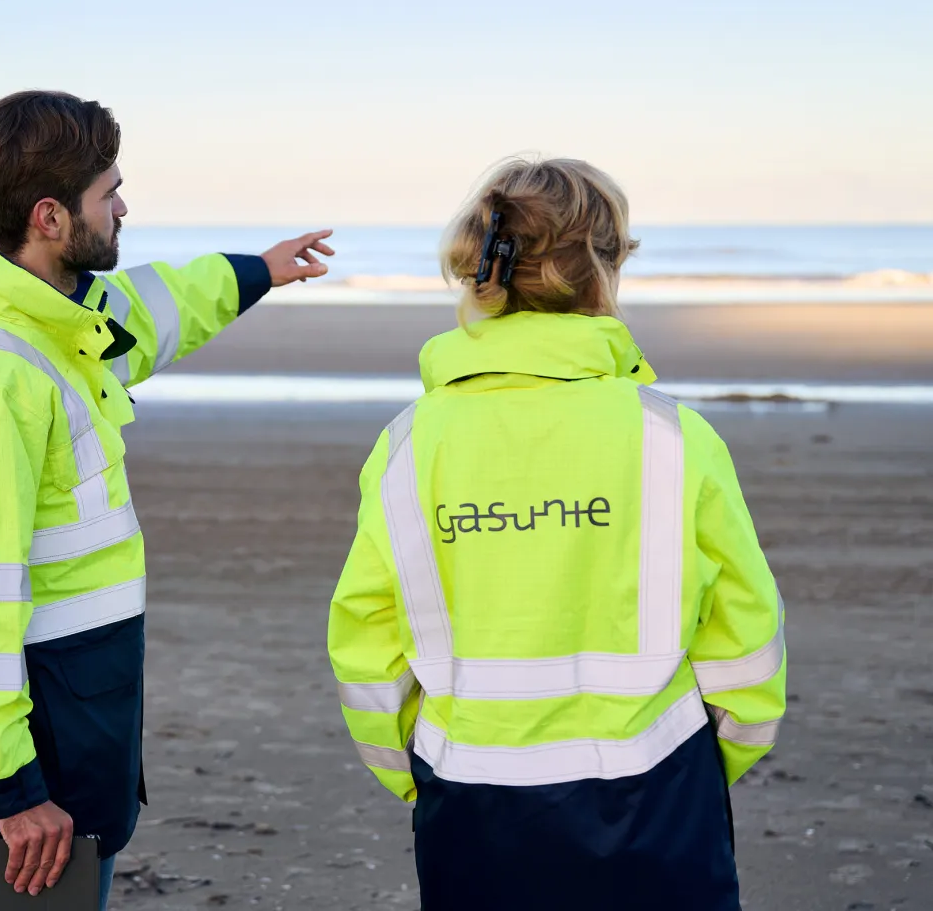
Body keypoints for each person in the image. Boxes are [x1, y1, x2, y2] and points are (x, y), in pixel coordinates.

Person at [0, 90, 333, 908]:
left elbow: (159, 307)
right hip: (43, 720)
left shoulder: (65, 320)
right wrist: (6, 789)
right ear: (51, 217)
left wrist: (259, 271)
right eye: (110, 193)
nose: (125, 206)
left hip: (86, 695)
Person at [326, 157, 785, 909]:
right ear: (602, 271)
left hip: (469, 797)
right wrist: (710, 762)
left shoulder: (411, 440)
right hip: (656, 789)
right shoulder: (671, 436)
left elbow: (366, 635)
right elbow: (745, 628)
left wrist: (414, 770)